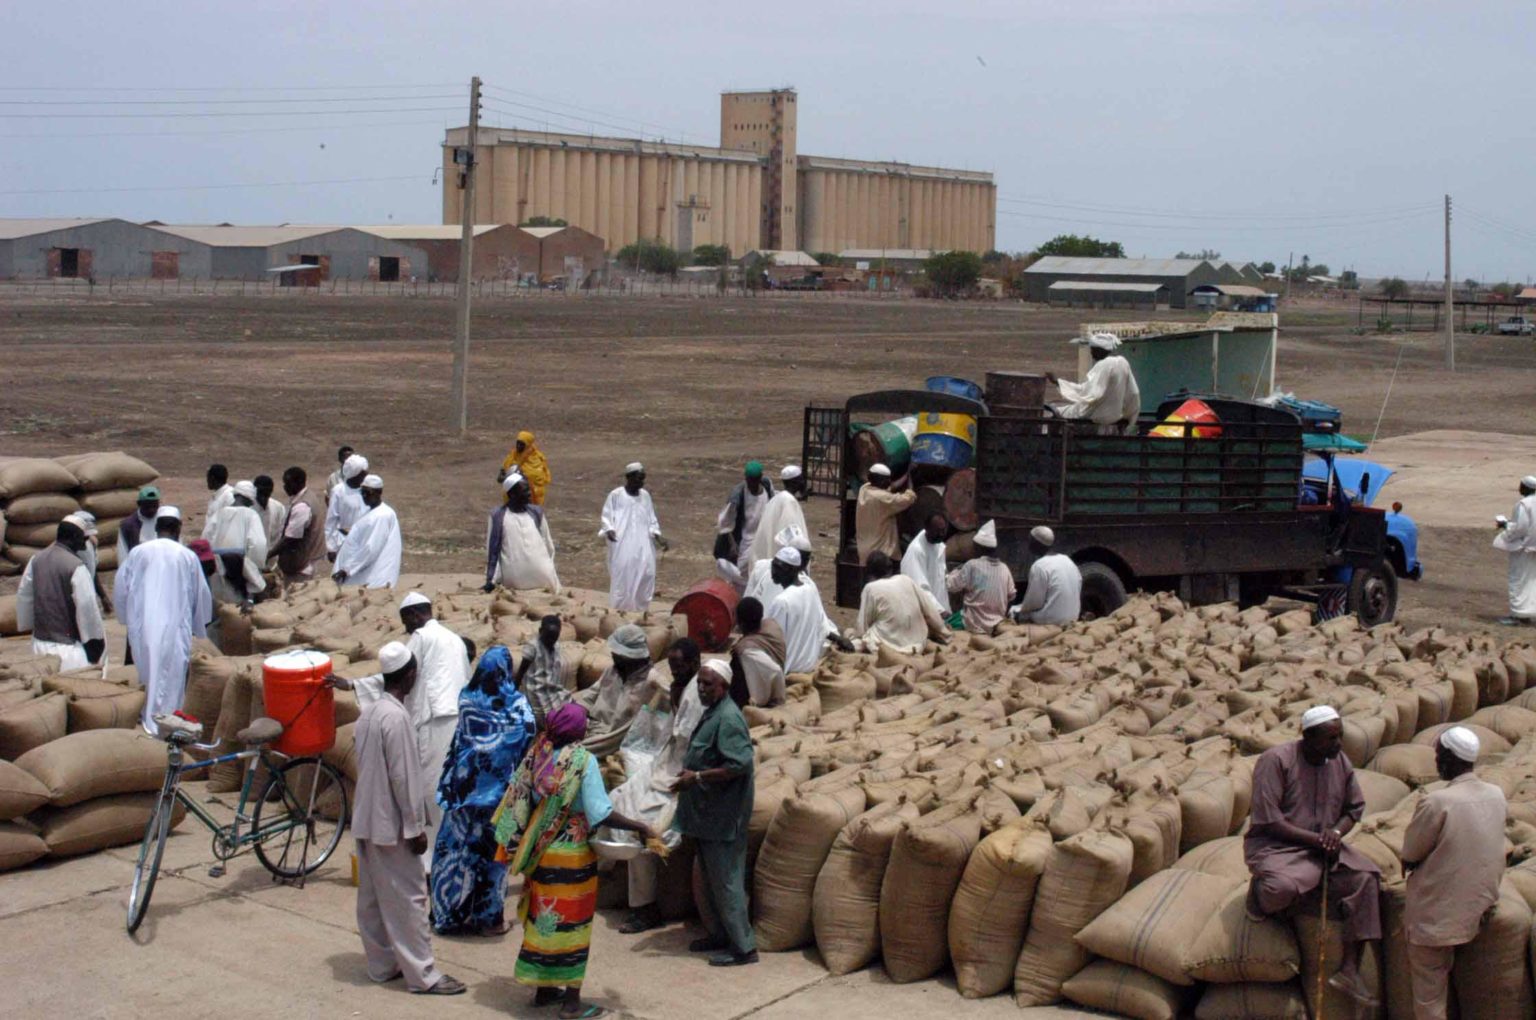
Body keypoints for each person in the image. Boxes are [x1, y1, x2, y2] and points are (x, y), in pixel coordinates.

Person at [492, 703, 655, 1018]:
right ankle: (571, 1002)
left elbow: (520, 800)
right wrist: (640, 827)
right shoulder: (583, 762)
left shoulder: (537, 755)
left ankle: (543, 989)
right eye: (583, 724)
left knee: (543, 921)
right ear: (575, 730)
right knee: (573, 926)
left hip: (540, 852)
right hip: (573, 857)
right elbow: (601, 812)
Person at [1244, 705, 1381, 1007]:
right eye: (1331, 738)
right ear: (1307, 738)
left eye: (1339, 736)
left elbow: (1353, 810)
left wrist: (1336, 833)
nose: (1338, 744)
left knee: (1367, 878)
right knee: (1281, 888)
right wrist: (1316, 839)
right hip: (1279, 848)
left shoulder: (1339, 761)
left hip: (1323, 849)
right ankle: (1260, 896)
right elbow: (1269, 820)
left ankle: (1348, 970)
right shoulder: (1276, 761)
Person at [352, 641, 466, 996]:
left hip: (367, 818)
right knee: (412, 898)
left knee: (372, 898)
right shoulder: (396, 718)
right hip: (391, 824)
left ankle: (383, 964)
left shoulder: (369, 712)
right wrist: (415, 827)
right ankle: (423, 975)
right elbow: (403, 778)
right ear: (412, 674)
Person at [1401, 726, 1507, 1020]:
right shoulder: (1496, 794)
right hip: (1480, 905)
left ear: (1448, 758)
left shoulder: (1437, 802)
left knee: (1429, 998)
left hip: (1437, 918)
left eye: (1438, 755)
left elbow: (1410, 852)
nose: (1435, 761)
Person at [430, 645, 536, 936]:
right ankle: (489, 920)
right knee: (492, 857)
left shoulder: (467, 697)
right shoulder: (516, 706)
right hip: (497, 798)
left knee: (456, 852)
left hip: (463, 792)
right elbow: (528, 736)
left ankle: (447, 915)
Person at [611, 639, 707, 935]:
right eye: (673, 667)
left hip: (681, 776)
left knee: (643, 830)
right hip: (665, 765)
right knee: (618, 799)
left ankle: (645, 907)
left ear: (694, 664)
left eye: (680, 668)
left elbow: (692, 744)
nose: (675, 673)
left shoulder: (700, 693)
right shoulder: (686, 688)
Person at [673, 659, 757, 967]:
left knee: (726, 882)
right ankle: (720, 935)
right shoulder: (713, 714)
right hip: (708, 815)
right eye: (700, 683)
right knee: (709, 879)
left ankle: (744, 948)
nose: (702, 688)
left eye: (708, 684)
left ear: (723, 686)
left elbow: (739, 765)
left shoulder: (729, 719)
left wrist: (696, 778)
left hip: (725, 816)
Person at [115, 507, 210, 736]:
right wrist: (199, 627)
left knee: (149, 677)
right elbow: (201, 595)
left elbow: (121, 589)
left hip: (143, 629)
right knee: (172, 681)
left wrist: (127, 619)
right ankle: (165, 730)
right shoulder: (187, 556)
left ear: (156, 529)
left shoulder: (138, 553)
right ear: (178, 529)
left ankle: (150, 725)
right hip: (176, 631)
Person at [399, 592, 472, 866]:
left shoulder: (421, 637)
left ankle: (432, 859)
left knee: (430, 789)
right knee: (450, 785)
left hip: (434, 719)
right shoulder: (455, 639)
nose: (406, 627)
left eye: (406, 620)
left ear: (415, 615)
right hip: (456, 718)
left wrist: (358, 687)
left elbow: (403, 672)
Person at [15, 518, 106, 671]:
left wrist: (28, 626)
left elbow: (24, 596)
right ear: (74, 537)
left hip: (39, 645)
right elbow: (87, 608)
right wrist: (95, 643)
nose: (85, 544)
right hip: (69, 650)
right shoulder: (75, 566)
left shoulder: (36, 560)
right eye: (83, 539)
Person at [577, 623, 661, 756]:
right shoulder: (612, 670)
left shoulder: (652, 681)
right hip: (593, 728)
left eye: (617, 653)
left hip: (617, 740)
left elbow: (653, 726)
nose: (613, 654)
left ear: (629, 657)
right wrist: (577, 711)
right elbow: (592, 694)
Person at [766, 548, 848, 674]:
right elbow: (823, 626)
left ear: (793, 571)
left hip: (789, 669)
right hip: (808, 666)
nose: (773, 572)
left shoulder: (782, 601)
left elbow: (773, 641)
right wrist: (838, 639)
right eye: (773, 566)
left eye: (778, 568)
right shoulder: (809, 590)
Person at [851, 551, 950, 654]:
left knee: (862, 638)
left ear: (870, 573)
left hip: (888, 647)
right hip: (917, 643)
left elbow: (862, 627)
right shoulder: (906, 580)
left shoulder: (871, 588)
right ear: (889, 568)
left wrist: (855, 638)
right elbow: (930, 611)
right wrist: (944, 631)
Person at [600, 462, 667, 611]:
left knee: (646, 574)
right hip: (622, 543)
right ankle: (619, 610)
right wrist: (609, 529)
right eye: (638, 478)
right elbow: (606, 515)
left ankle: (640, 610)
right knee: (623, 575)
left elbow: (651, 518)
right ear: (628, 478)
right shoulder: (616, 495)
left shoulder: (645, 496)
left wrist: (658, 536)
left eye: (643, 478)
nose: (641, 482)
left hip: (644, 544)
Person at [1047, 332, 1142, 435]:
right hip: (1114, 416)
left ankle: (1052, 447)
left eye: (1093, 350)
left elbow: (1087, 392)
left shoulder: (1104, 365)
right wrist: (1130, 415)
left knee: (1055, 413)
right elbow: (1133, 392)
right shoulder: (1123, 362)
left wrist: (1057, 382)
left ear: (1100, 350)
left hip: (1096, 415)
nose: (1091, 353)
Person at [483, 473, 560, 593]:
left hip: (542, 577)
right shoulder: (498, 516)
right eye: (525, 490)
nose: (530, 493)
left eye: (528, 489)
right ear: (511, 494)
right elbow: (492, 550)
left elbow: (548, 544)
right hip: (514, 580)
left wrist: (550, 569)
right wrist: (491, 580)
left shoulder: (536, 512)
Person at [203, 480, 269, 602]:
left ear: (235, 495)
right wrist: (256, 567)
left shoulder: (218, 513)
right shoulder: (251, 515)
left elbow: (205, 540)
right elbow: (258, 544)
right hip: (241, 570)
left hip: (218, 570)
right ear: (250, 500)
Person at [946, 521, 1016, 635]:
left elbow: (951, 586)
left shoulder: (972, 565)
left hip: (973, 622)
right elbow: (1012, 596)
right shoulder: (1005, 568)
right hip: (997, 623)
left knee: (944, 625)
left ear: (979, 547)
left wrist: (953, 573)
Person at [333, 475, 401, 589]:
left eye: (367, 493)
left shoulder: (382, 515)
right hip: (365, 576)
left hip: (372, 580)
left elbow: (370, 549)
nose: (364, 496)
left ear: (378, 492)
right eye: (362, 492)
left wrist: (346, 570)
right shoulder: (373, 511)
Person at [1012, 525, 1082, 626]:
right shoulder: (1067, 559)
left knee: (1014, 612)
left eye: (1030, 541)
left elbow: (1034, 603)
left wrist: (1019, 609)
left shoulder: (1039, 566)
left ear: (1036, 544)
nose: (1028, 544)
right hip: (1074, 616)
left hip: (1052, 620)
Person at [744, 464, 809, 567]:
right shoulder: (789, 502)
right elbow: (791, 535)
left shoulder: (777, 499)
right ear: (795, 482)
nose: (803, 483)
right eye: (801, 480)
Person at [716, 461, 774, 575]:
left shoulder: (767, 486)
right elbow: (725, 522)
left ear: (760, 478)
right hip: (746, 542)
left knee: (763, 570)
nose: (752, 483)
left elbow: (774, 503)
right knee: (743, 572)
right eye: (749, 479)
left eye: (755, 479)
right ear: (746, 478)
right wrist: (732, 544)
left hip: (764, 537)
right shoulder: (738, 494)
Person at [272, 466, 327, 583]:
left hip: (301, 566)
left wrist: (269, 554)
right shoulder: (309, 496)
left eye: (287, 483)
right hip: (307, 561)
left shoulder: (302, 506)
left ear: (298, 483)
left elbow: (290, 538)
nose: (285, 487)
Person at [729, 596, 786, 708]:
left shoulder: (746, 651)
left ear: (740, 623)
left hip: (764, 699)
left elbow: (775, 671)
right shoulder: (772, 626)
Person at [1494, 474, 1536, 626]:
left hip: (1523, 548)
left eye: (1521, 485)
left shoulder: (1523, 504)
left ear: (1526, 487)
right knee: (1531, 581)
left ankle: (1519, 615)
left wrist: (1506, 526)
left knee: (1518, 580)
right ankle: (1527, 613)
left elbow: (1521, 527)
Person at [855, 463, 917, 564]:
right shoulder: (883, 499)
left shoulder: (864, 489)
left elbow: (891, 487)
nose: (889, 482)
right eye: (886, 480)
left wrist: (906, 474)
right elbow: (908, 498)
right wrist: (910, 478)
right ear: (880, 481)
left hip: (864, 551)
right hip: (881, 553)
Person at [516, 614, 569, 728]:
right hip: (535, 691)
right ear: (540, 631)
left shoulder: (557, 646)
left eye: (555, 637)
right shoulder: (533, 646)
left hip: (552, 688)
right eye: (548, 637)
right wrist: (514, 692)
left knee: (571, 709)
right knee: (549, 721)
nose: (551, 640)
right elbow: (521, 671)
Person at [901, 513, 955, 625]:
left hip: (940, 610)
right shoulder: (916, 551)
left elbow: (941, 578)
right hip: (924, 616)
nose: (941, 534)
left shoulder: (938, 544)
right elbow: (920, 589)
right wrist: (940, 611)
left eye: (943, 530)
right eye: (937, 531)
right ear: (927, 529)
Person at [326, 453, 370, 558]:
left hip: (366, 542)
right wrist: (331, 547)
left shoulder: (368, 490)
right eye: (364, 473)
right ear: (356, 473)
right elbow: (331, 520)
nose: (366, 475)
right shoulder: (339, 491)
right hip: (345, 543)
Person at [500, 430, 551, 505]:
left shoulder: (535, 459)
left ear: (528, 445)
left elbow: (537, 479)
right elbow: (501, 476)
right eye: (518, 443)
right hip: (512, 497)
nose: (518, 446)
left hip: (529, 499)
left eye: (522, 444)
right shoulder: (512, 456)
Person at [115, 484, 161, 566]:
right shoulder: (128, 525)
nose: (151, 510)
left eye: (155, 506)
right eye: (147, 506)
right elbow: (122, 553)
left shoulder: (163, 520)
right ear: (139, 504)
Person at [253, 474, 286, 557]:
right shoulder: (248, 509)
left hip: (272, 558)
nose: (264, 498)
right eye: (261, 493)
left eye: (267, 494)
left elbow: (281, 532)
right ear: (255, 490)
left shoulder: (278, 507)